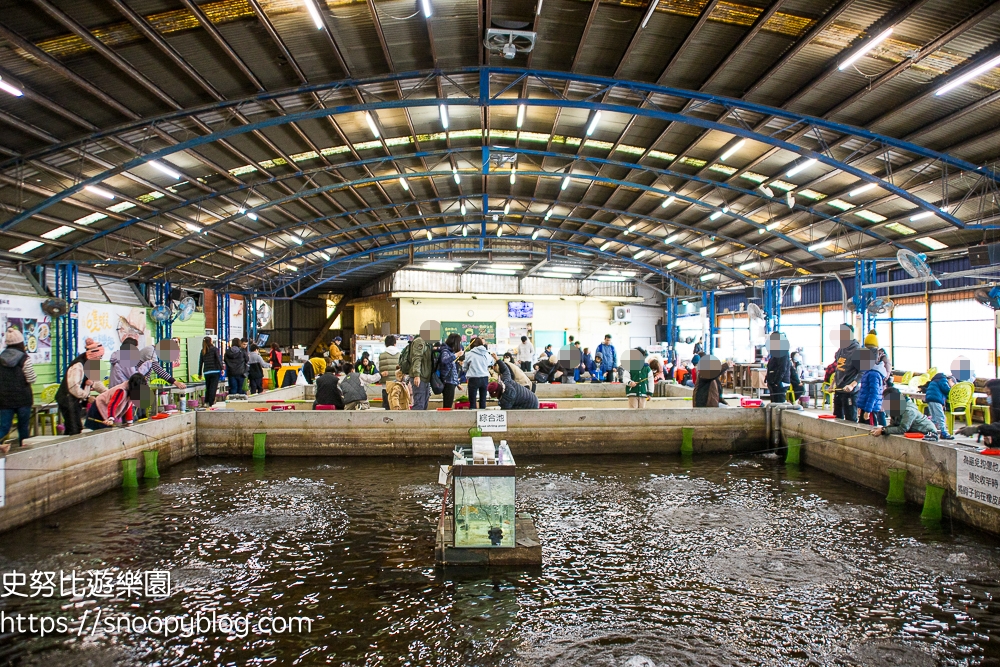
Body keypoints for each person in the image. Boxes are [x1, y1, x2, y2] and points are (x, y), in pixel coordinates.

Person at [56, 338, 106, 436]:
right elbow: (73, 388)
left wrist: (107, 392)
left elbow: (96, 383)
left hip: (77, 400)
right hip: (67, 399)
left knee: (76, 427)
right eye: (99, 357)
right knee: (74, 428)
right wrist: (87, 397)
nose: (100, 359)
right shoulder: (78, 365)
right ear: (93, 355)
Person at [0, 328, 36, 447]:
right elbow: (31, 378)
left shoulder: (1, 358)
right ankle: (23, 450)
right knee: (23, 427)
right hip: (23, 399)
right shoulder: (24, 358)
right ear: (21, 342)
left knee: (4, 427)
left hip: (4, 399)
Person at [871, 388, 938, 441]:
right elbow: (893, 425)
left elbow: (903, 428)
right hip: (913, 431)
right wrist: (882, 429)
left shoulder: (909, 410)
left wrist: (883, 431)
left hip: (927, 432)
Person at [405, 321, 439, 410]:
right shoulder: (420, 341)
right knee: (419, 405)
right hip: (420, 377)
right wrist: (417, 375)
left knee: (424, 405)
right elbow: (417, 358)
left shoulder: (427, 343)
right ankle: (415, 423)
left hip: (425, 377)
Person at [831, 324, 861, 422]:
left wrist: (852, 385)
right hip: (839, 389)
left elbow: (862, 372)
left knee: (850, 419)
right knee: (837, 417)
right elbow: (838, 368)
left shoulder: (857, 350)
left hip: (850, 392)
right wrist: (832, 385)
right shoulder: (841, 349)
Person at [856, 348, 888, 426]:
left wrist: (868, 411)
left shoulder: (873, 374)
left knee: (869, 429)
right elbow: (865, 391)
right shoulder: (868, 372)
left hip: (870, 409)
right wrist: (861, 406)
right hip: (866, 407)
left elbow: (874, 394)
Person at [921, 371, 955, 439]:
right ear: (950, 380)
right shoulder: (943, 380)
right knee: (940, 416)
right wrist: (951, 388)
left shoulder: (934, 380)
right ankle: (944, 432)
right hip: (936, 400)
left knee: (934, 418)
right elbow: (946, 390)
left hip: (929, 399)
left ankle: (932, 432)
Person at [463, 337, 493, 409]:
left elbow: (464, 367)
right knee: (483, 400)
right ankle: (482, 418)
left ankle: (473, 418)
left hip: (473, 378)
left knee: (472, 401)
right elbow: (491, 362)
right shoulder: (486, 353)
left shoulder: (469, 354)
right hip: (484, 378)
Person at [765, 332, 791, 403]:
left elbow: (782, 368)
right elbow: (771, 367)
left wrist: (776, 381)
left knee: (779, 404)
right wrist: (768, 378)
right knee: (774, 403)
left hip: (780, 382)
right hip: (773, 382)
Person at [439, 333, 462, 409]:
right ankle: (445, 420)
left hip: (451, 382)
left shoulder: (449, 351)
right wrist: (456, 355)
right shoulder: (445, 351)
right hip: (448, 382)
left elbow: (452, 370)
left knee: (448, 404)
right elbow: (444, 360)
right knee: (447, 405)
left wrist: (457, 383)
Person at [379, 336, 402, 410]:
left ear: (385, 344)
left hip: (386, 385)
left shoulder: (381, 356)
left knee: (386, 406)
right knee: (397, 405)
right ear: (395, 344)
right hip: (397, 385)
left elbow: (379, 369)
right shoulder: (400, 355)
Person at [198, 337, 223, 406]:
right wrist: (222, 368)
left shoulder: (203, 350)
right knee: (213, 388)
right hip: (215, 371)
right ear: (211, 341)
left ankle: (206, 401)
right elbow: (218, 359)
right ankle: (211, 403)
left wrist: (199, 373)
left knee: (208, 387)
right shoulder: (215, 349)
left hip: (206, 372)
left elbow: (200, 363)